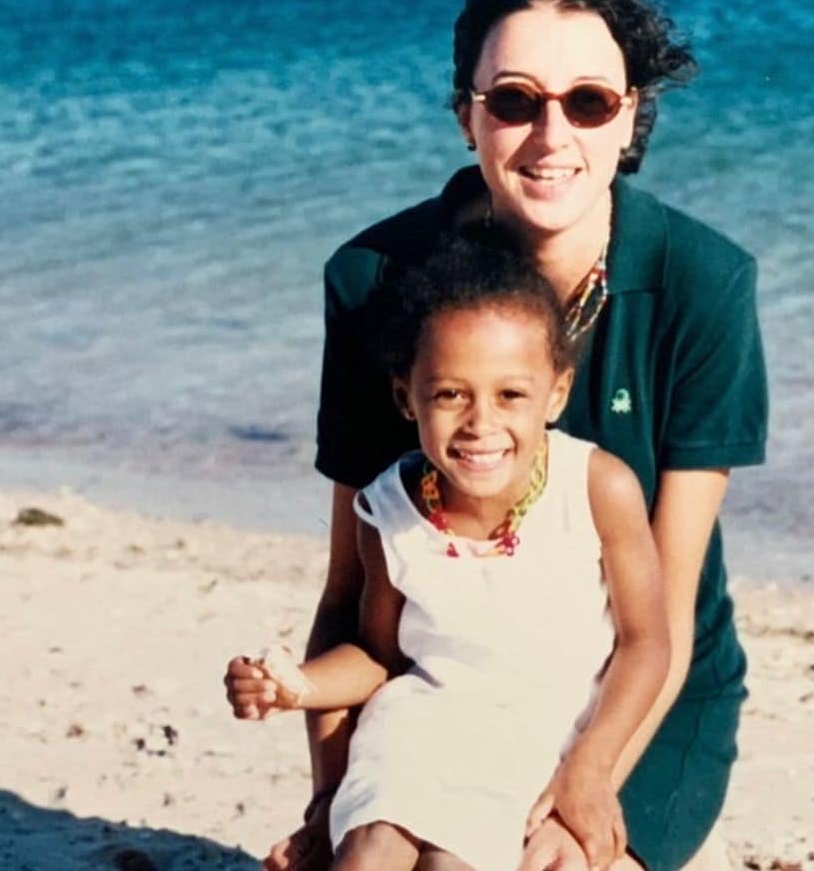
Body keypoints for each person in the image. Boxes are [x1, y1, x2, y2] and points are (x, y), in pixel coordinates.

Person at [232, 0, 769, 871]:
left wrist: (587, 782)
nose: (551, 136)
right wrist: (330, 801)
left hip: (644, 693)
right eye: (514, 100)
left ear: (629, 117)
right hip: (442, 684)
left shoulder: (702, 283)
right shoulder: (375, 283)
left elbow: (666, 625)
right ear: (466, 117)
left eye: (590, 102)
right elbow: (352, 593)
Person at [226, 228, 671, 871]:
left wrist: (592, 767)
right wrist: (294, 685)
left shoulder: (598, 488)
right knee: (370, 853)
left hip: (541, 734)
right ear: (408, 397)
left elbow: (647, 643)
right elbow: (378, 657)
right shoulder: (391, 510)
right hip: (420, 728)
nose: (480, 423)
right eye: (449, 394)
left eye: (510, 394)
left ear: (558, 393)